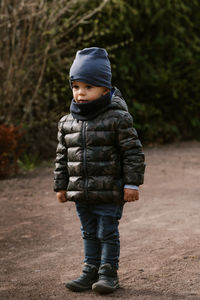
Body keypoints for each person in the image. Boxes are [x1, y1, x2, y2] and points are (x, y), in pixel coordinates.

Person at [54, 47, 145, 294]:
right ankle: (89, 270)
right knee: (88, 232)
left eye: (88, 87)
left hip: (109, 190)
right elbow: (62, 157)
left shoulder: (118, 117)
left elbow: (133, 153)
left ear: (105, 89)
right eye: (76, 87)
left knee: (107, 232)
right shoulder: (67, 122)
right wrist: (61, 185)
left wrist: (131, 184)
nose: (80, 93)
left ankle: (108, 273)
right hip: (81, 193)